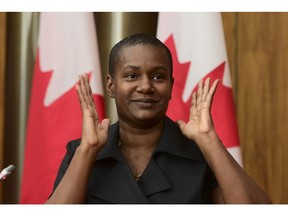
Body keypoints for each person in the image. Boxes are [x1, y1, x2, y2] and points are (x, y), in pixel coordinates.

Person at [46, 33, 271, 204]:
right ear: (111, 85)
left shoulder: (201, 153)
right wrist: (88, 150)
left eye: (158, 76)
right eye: (132, 75)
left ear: (171, 87)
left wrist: (208, 139)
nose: (145, 86)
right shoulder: (82, 152)